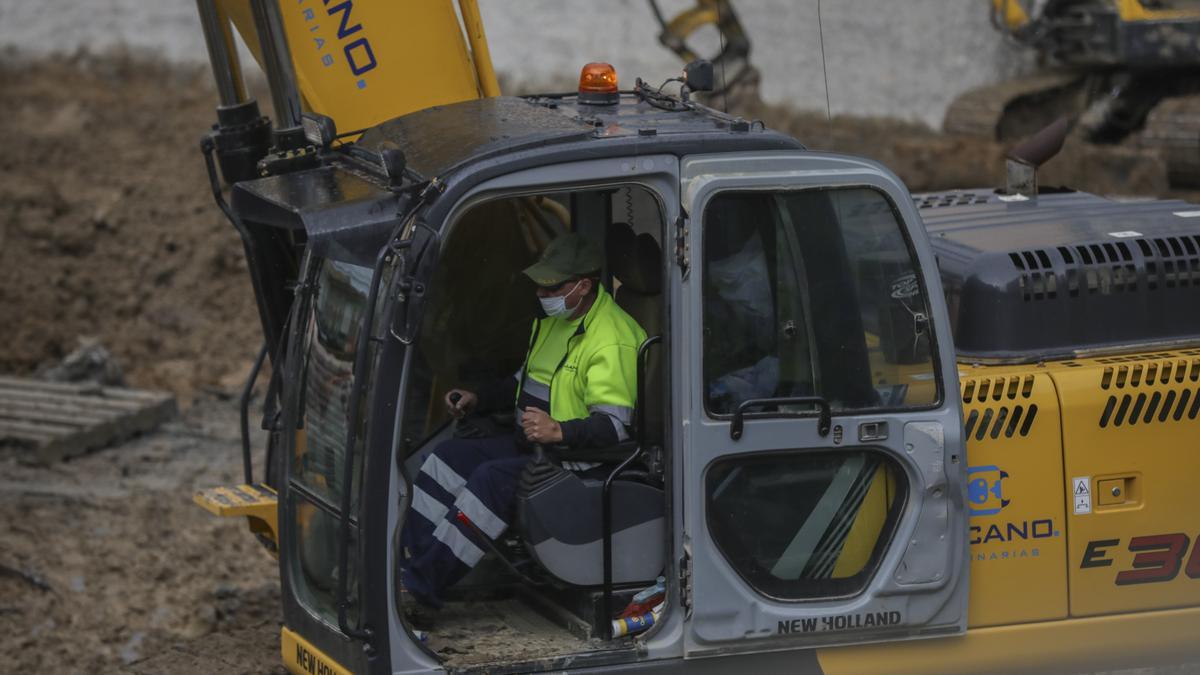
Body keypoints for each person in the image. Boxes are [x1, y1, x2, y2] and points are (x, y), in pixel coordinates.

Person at [400, 233, 647, 608]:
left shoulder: (612, 340)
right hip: (532, 444)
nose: (541, 295)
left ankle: (422, 588)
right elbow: (524, 382)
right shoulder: (553, 323)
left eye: (551, 288)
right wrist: (478, 398)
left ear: (582, 286)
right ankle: (414, 566)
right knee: (447, 459)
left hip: (576, 457)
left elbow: (614, 427)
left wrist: (559, 430)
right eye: (539, 287)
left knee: (489, 482)